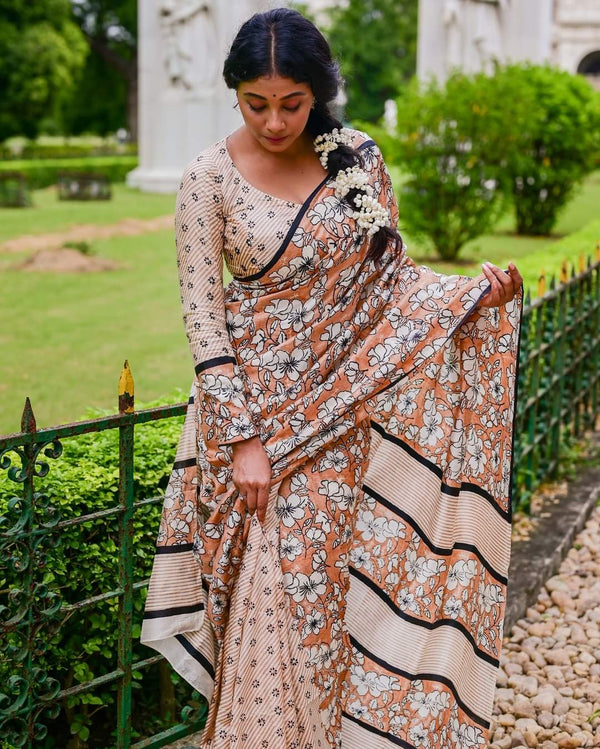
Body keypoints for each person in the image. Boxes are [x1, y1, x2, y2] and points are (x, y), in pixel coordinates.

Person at [141, 8, 523, 748]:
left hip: (344, 416)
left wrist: (475, 295)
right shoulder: (207, 179)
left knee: (326, 606)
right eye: (257, 103)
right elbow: (203, 319)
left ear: (317, 92)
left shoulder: (355, 159)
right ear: (235, 92)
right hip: (255, 425)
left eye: (292, 103)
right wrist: (243, 439)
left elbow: (391, 284)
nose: (276, 121)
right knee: (269, 601)